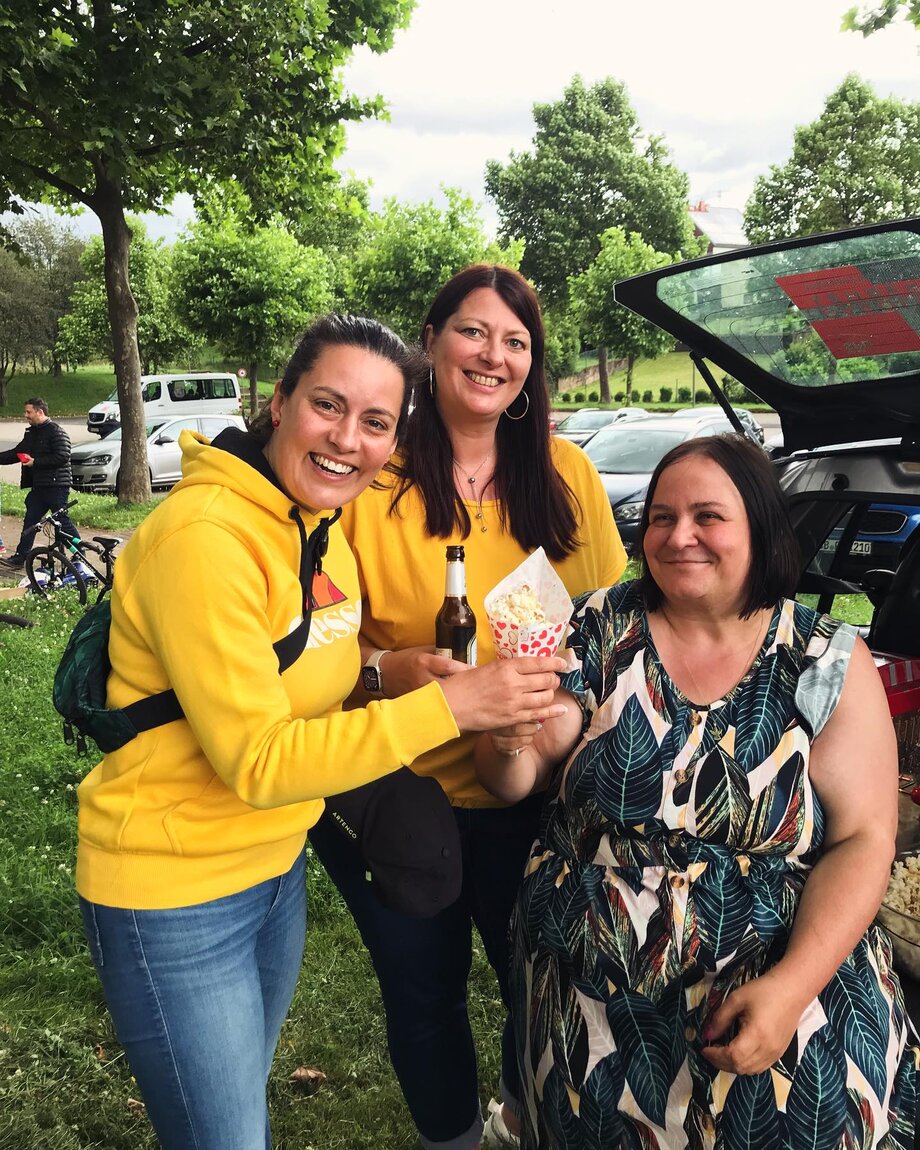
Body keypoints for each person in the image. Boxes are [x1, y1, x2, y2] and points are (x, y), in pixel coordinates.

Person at [75, 314, 568, 1150]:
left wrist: (385, 673)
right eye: (328, 406)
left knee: (238, 1113)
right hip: (173, 893)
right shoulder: (206, 538)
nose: (348, 440)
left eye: (377, 421)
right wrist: (453, 709)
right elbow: (260, 760)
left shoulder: (317, 527)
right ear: (280, 401)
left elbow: (312, 679)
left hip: (273, 871)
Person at [474, 433, 919, 1150]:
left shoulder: (825, 659)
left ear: (760, 529)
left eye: (707, 516)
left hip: (776, 988)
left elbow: (865, 838)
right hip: (589, 1003)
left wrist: (792, 988)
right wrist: (506, 737)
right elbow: (515, 778)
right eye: (662, 517)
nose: (679, 536)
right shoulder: (595, 627)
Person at [308, 266, 628, 1150]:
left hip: (537, 787)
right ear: (432, 342)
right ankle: (451, 1139)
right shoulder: (373, 480)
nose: (493, 355)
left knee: (542, 985)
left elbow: (610, 627)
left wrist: (562, 716)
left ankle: (528, 1118)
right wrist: (390, 669)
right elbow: (318, 646)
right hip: (399, 783)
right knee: (424, 996)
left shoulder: (566, 475)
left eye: (515, 341)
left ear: (531, 364)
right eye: (473, 331)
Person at [0, 397, 80, 568]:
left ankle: (80, 554)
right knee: (30, 521)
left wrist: (35, 462)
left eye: (29, 412)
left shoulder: (56, 431)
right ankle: (20, 557)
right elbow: (16, 453)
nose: (26, 415)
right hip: (39, 487)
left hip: (57, 486)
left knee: (61, 521)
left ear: (40, 412)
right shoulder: (31, 433)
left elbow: (63, 456)